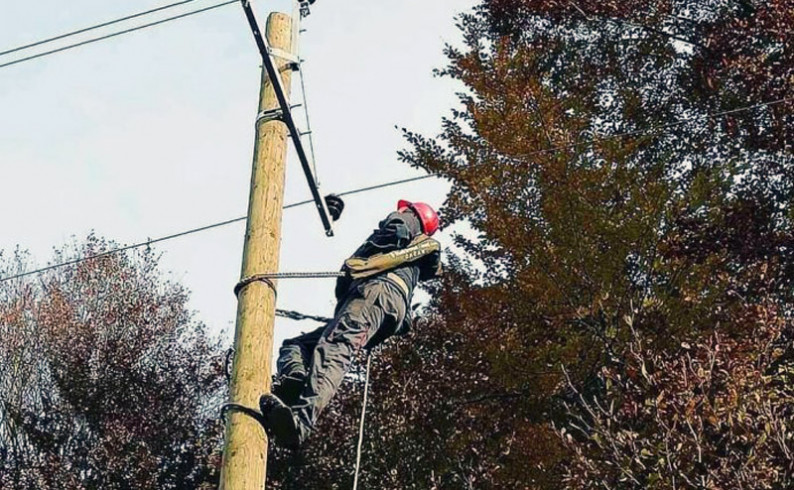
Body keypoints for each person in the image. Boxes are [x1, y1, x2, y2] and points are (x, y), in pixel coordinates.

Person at [259, 200, 442, 448]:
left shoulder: (407, 220)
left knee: (335, 348)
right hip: (383, 308)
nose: (399, 212)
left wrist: (378, 242)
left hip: (375, 293)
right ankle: (296, 381)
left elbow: (395, 230)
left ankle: (299, 422)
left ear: (413, 213)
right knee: (298, 346)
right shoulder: (419, 259)